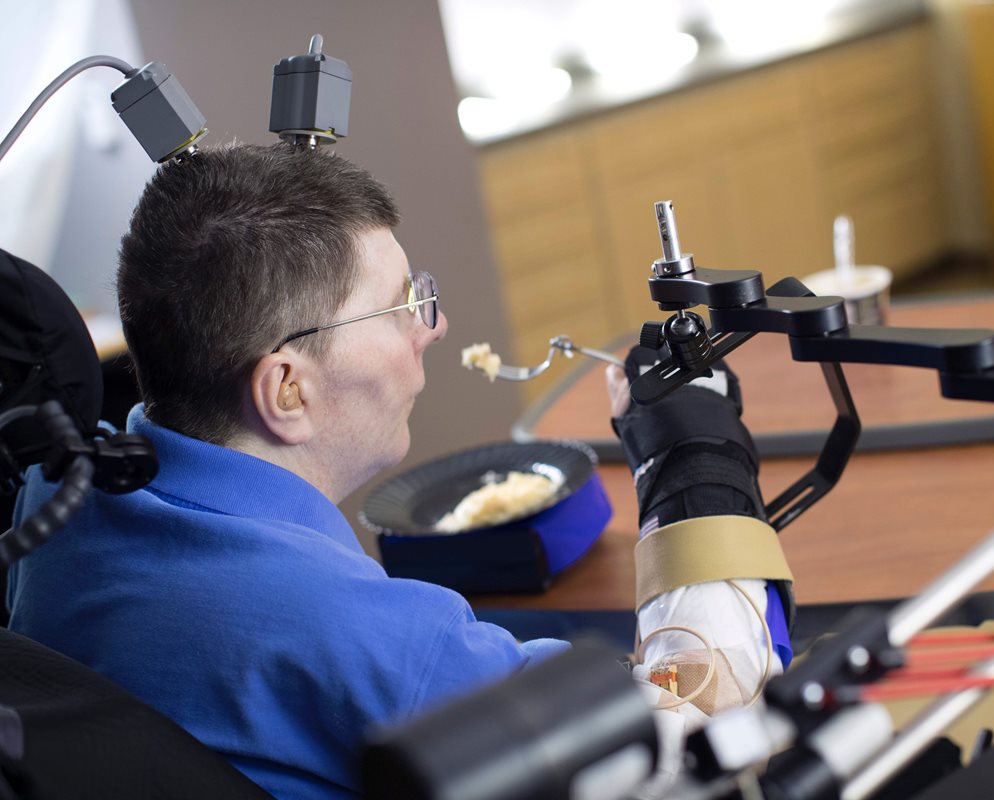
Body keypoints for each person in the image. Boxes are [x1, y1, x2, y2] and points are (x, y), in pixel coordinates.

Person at [6, 143, 789, 799]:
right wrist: (691, 456)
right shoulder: (383, 648)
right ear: (287, 389)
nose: (435, 326)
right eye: (402, 305)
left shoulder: (56, 502)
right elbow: (703, 721)